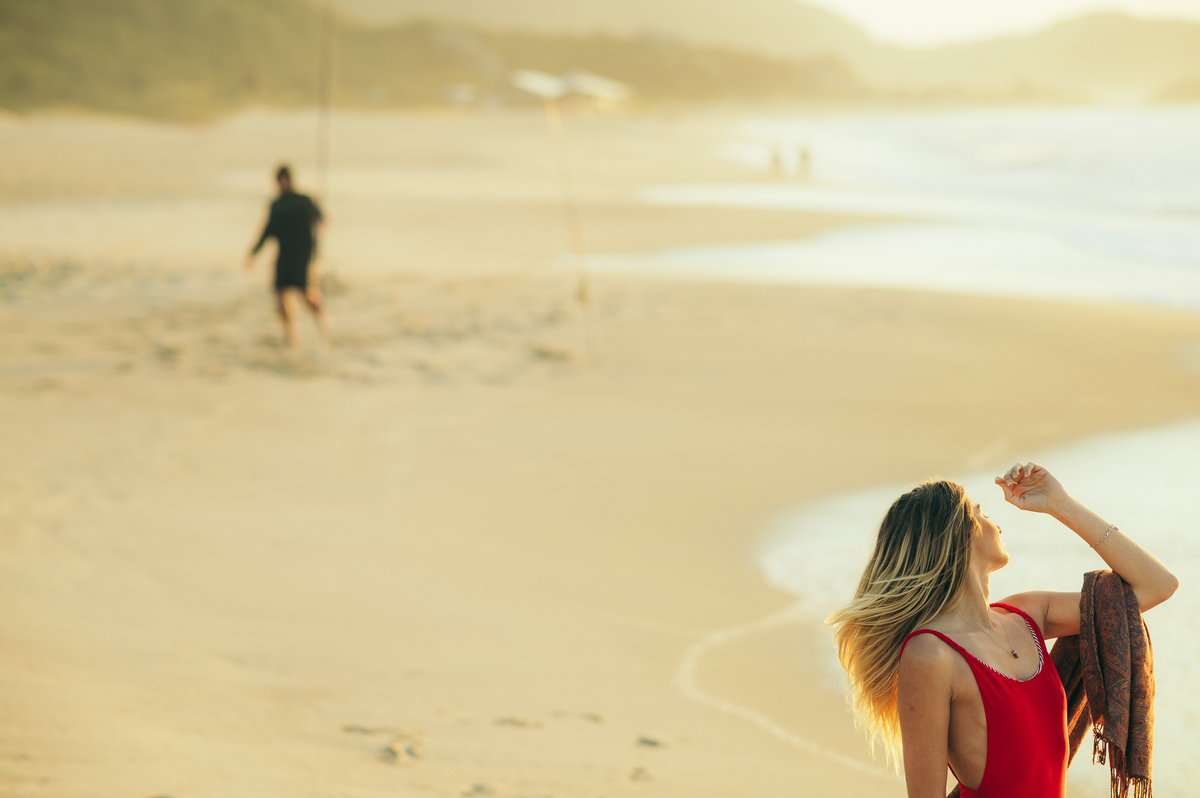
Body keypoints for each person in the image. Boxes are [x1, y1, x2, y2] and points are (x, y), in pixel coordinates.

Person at [828, 463, 1177, 798]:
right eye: (983, 514)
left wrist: (1061, 504)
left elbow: (1155, 585)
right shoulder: (930, 655)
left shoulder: (1028, 614)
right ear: (958, 535)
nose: (997, 525)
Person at [245, 165, 332, 346]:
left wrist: (319, 222)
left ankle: (324, 323)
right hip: (284, 256)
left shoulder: (304, 201)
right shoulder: (276, 206)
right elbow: (267, 231)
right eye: (280, 179)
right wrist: (253, 254)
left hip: (302, 255)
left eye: (285, 178)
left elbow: (321, 219)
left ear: (290, 179)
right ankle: (290, 335)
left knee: (306, 292)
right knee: (280, 293)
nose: (283, 182)